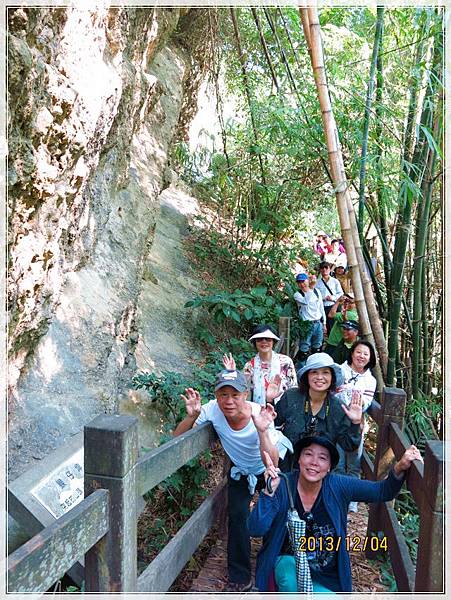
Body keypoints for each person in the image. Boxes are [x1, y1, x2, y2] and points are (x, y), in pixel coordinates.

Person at [248, 436, 423, 592]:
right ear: (299, 460)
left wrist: (400, 466)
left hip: (326, 574)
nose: (314, 462)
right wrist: (269, 493)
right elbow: (255, 528)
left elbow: (381, 491)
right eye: (308, 454)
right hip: (288, 565)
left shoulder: (338, 486)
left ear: (330, 467)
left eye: (322, 458)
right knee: (289, 577)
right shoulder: (283, 484)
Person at [173, 369, 292, 592]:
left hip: (269, 465)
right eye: (223, 395)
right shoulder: (211, 410)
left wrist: (262, 431)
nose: (229, 401)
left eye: (235, 395)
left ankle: (276, 562)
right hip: (242, 470)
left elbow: (273, 462)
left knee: (277, 514)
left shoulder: (259, 413)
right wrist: (191, 416)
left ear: (245, 394)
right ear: (216, 396)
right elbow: (177, 439)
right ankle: (240, 576)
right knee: (237, 516)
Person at [273, 353, 362, 471]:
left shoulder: (338, 408)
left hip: (319, 473)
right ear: (307, 376)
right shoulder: (291, 397)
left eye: (325, 372)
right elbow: (273, 426)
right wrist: (269, 400)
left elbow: (348, 445)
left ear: (332, 377)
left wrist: (355, 423)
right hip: (288, 467)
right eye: (314, 372)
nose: (320, 377)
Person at [336, 341, 377, 512]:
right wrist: (352, 394)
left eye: (365, 354)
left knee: (354, 462)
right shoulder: (339, 370)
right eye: (358, 352)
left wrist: (348, 390)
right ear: (352, 353)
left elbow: (365, 403)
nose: (361, 356)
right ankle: (336, 496)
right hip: (336, 421)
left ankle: (351, 500)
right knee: (337, 460)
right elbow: (332, 392)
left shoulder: (370, 380)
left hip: (356, 424)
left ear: (370, 358)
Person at [223, 325, 297, 405]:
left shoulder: (286, 362)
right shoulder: (249, 366)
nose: (264, 342)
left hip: (284, 409)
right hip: (259, 412)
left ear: (273, 342)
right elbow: (243, 391)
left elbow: (293, 388)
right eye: (259, 339)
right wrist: (232, 373)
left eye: (268, 339)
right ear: (255, 342)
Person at [293, 273, 326, 368]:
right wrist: (309, 289)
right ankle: (301, 372)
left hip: (318, 322)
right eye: (299, 282)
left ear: (307, 280)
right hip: (306, 324)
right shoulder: (297, 295)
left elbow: (321, 307)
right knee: (304, 350)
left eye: (303, 281)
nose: (302, 284)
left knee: (317, 348)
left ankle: (316, 367)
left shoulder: (317, 292)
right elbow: (306, 302)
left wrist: (324, 323)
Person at [315, 262, 343, 334]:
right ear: (320, 270)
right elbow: (315, 296)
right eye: (322, 268)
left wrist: (333, 297)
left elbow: (340, 293)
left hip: (334, 306)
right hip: (323, 307)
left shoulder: (335, 281)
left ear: (330, 269)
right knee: (326, 325)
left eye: (326, 268)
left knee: (335, 326)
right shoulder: (317, 283)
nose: (324, 270)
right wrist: (323, 298)